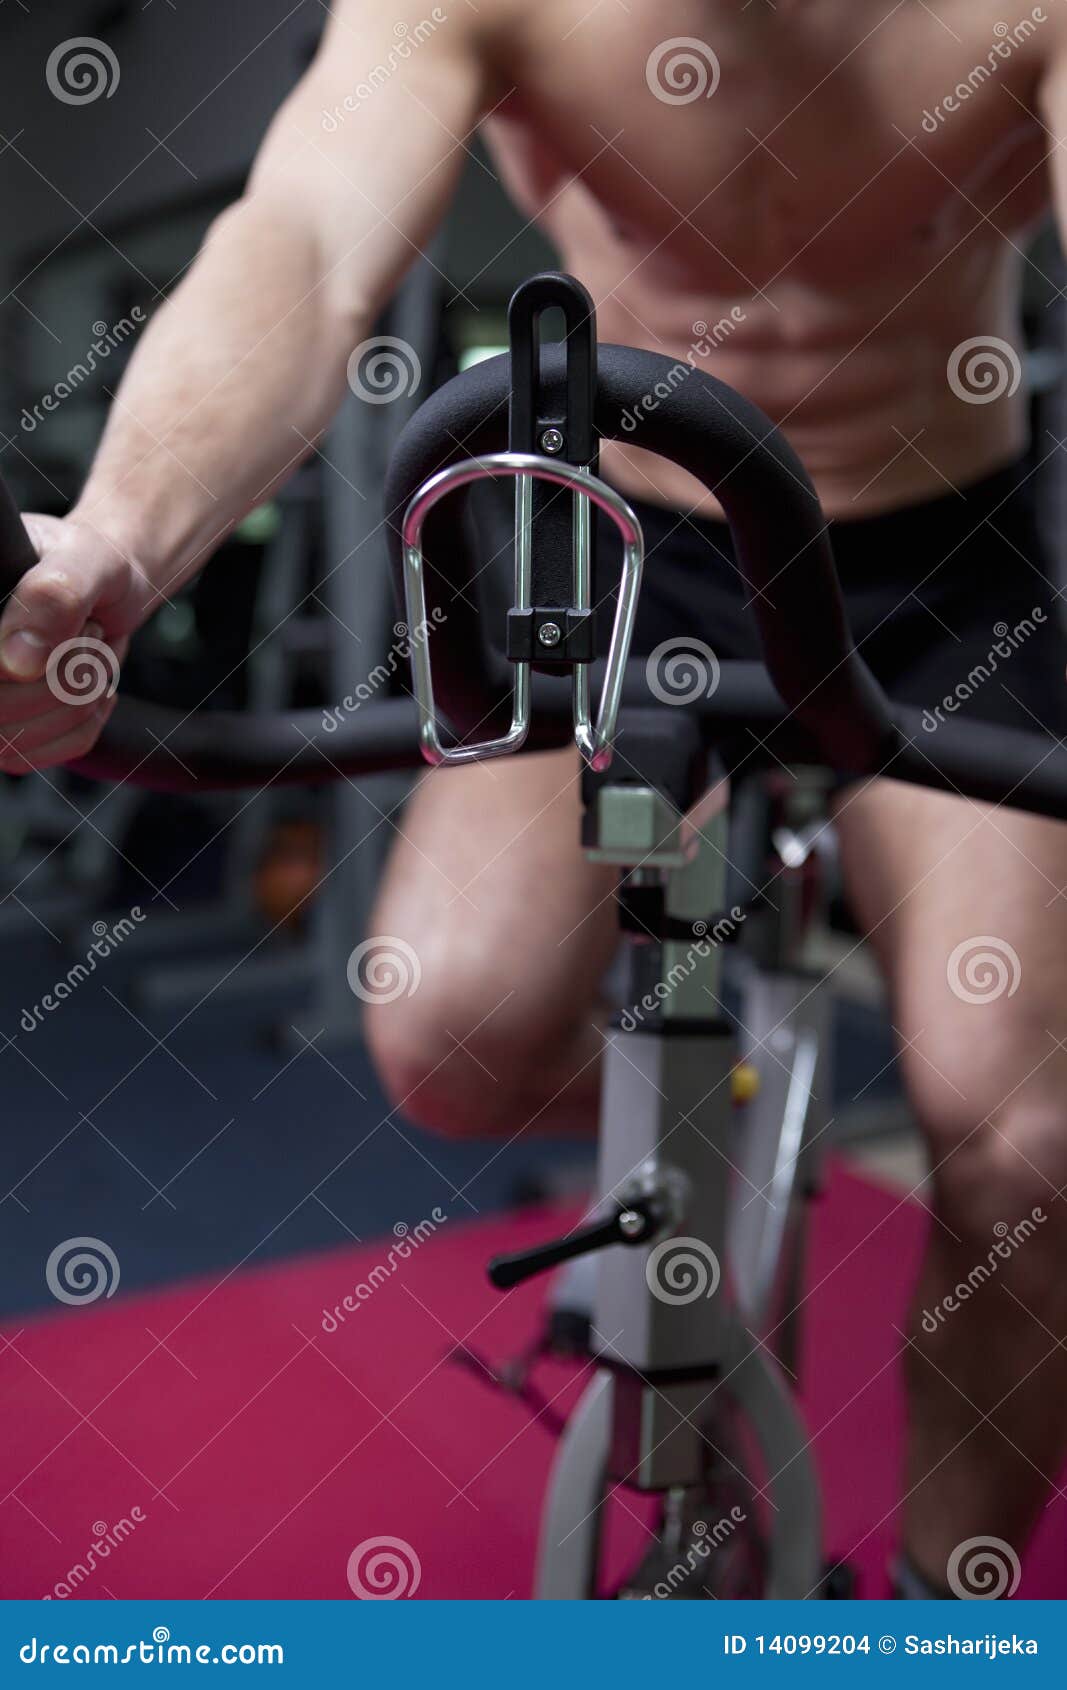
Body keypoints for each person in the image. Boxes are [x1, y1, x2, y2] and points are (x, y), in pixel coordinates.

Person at [2, 0, 1066, 1599]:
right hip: (635, 556)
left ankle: (930, 1614)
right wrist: (118, 543)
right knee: (452, 1028)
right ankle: (717, 1098)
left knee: (1029, 1146)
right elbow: (304, 238)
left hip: (939, 569)